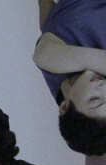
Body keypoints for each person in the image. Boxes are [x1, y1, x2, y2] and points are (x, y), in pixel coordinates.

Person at [33, 0, 106, 156]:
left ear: (64, 107)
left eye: (94, 99)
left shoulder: (48, 59)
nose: (103, 87)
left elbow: (46, 46)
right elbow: (52, 24)